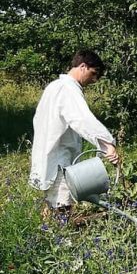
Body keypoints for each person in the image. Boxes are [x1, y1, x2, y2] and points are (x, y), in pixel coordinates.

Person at [29, 49, 120, 216]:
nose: (95, 80)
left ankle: (47, 235)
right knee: (63, 204)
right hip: (59, 155)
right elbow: (82, 119)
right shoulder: (67, 89)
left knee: (53, 200)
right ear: (83, 66)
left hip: (48, 152)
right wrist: (107, 144)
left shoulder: (54, 86)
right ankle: (62, 239)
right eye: (94, 73)